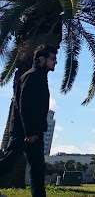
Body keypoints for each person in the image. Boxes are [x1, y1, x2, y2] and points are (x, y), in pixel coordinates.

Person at [0, 44, 58, 197]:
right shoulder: (31, 76)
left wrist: (37, 131)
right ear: (41, 59)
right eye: (52, 58)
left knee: (37, 169)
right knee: (8, 163)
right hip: (24, 132)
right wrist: (30, 132)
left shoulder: (40, 77)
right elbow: (24, 106)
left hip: (35, 132)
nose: (55, 62)